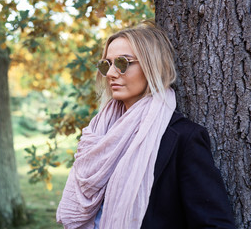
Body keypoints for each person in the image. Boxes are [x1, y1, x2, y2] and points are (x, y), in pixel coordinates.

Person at [56, 21, 236, 229]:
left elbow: (214, 223)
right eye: (107, 64)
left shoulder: (183, 138)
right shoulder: (98, 133)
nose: (112, 74)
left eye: (123, 63)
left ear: (152, 65)